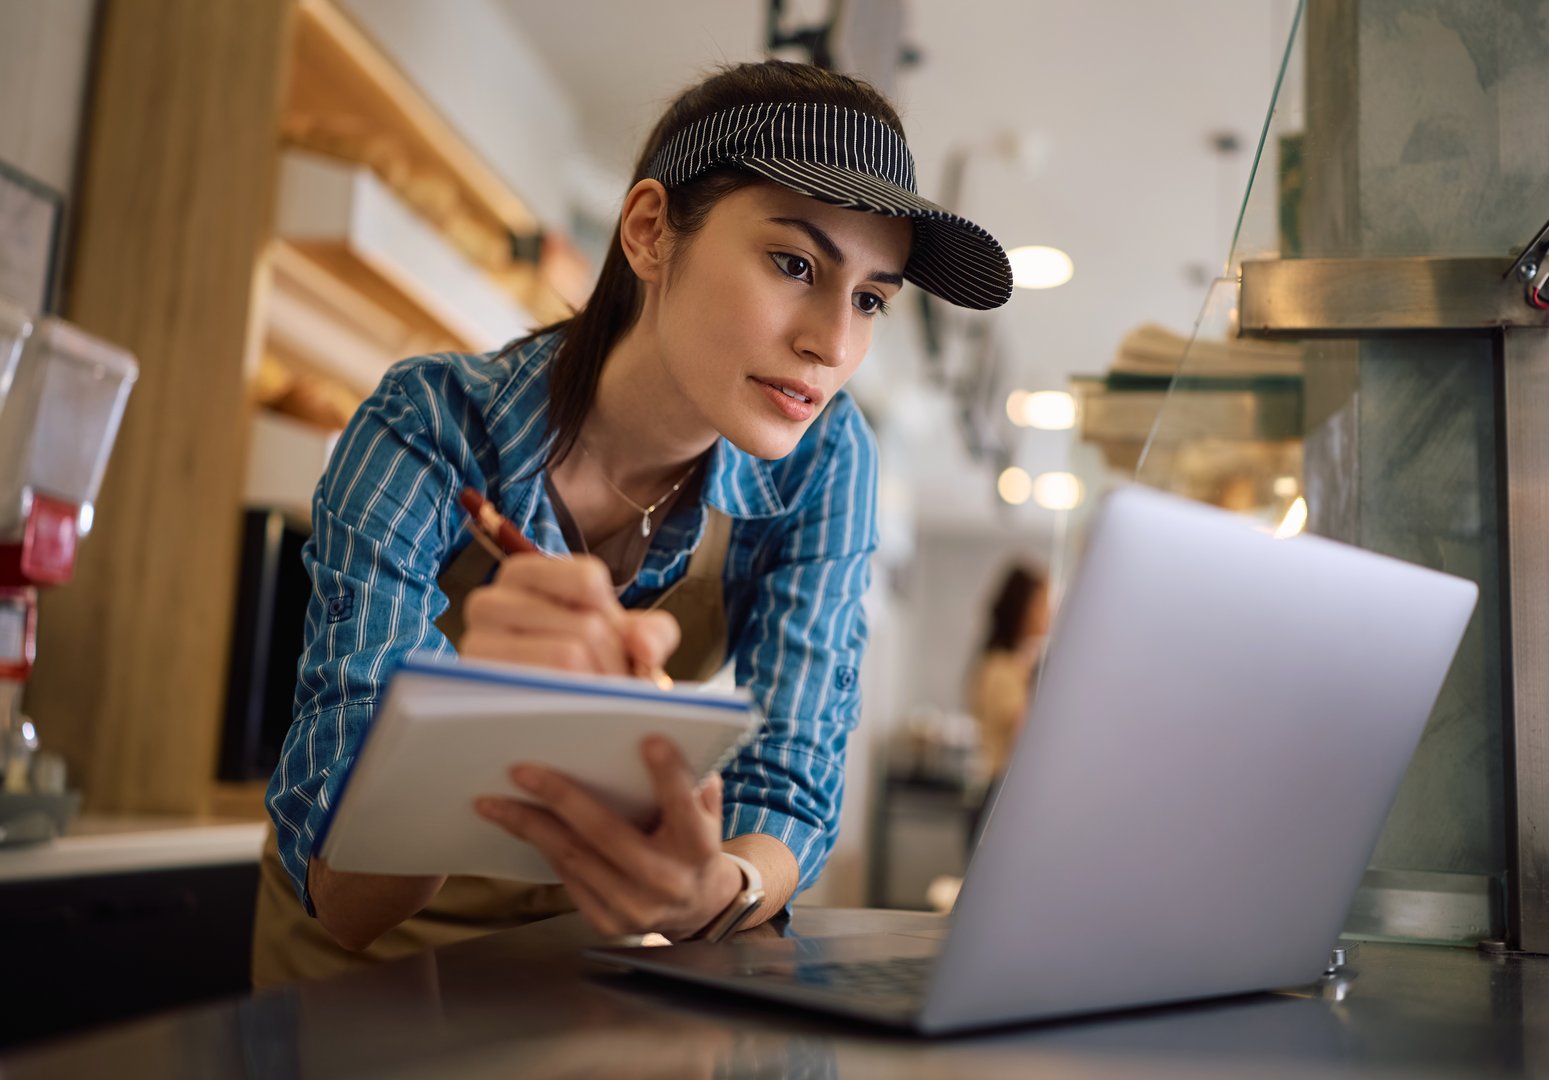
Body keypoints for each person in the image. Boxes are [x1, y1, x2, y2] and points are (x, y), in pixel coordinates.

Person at [252, 59, 1013, 985]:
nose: (835, 344)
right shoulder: (428, 429)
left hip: (586, 962)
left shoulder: (825, 460)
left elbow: (793, 780)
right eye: (793, 263)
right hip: (367, 967)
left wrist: (714, 887)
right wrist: (474, 722)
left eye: (869, 298)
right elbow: (349, 902)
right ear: (651, 232)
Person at [965, 564, 1049, 843]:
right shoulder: (1001, 669)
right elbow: (1028, 734)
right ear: (1022, 609)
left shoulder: (1015, 666)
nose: (1048, 614)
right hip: (997, 796)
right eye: (1041, 604)